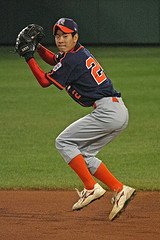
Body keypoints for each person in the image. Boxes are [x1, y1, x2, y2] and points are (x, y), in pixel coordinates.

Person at [17, 18, 135, 220]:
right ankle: (119, 189)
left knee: (63, 142)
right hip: (116, 111)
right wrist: (38, 47)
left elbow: (45, 81)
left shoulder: (72, 60)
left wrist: (29, 55)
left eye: (65, 36)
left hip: (107, 112)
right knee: (83, 154)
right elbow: (55, 59)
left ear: (75, 36)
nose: (61, 40)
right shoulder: (75, 53)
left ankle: (91, 188)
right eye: (57, 36)